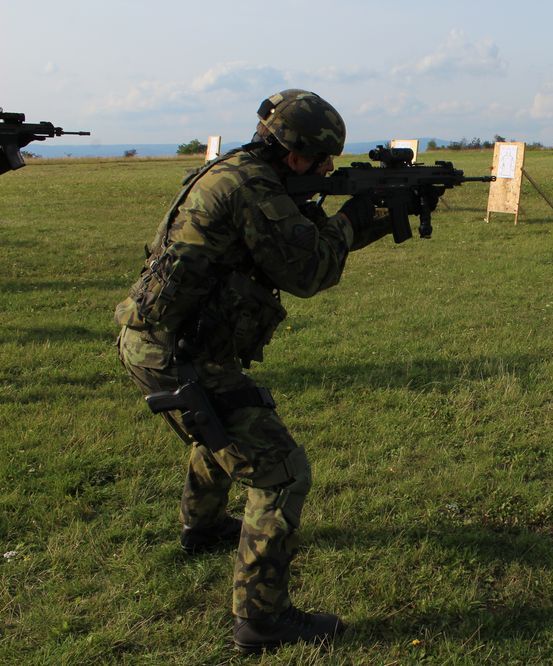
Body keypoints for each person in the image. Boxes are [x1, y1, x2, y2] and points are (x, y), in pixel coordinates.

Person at [114, 89, 391, 653]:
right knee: (281, 472)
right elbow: (309, 271)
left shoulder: (232, 171)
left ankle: (202, 527)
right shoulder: (252, 188)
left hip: (157, 345)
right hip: (180, 357)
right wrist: (355, 221)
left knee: (215, 429)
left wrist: (335, 220)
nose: (327, 170)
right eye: (321, 161)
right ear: (294, 155)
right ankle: (261, 621)